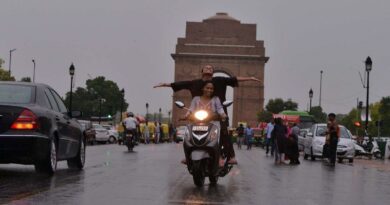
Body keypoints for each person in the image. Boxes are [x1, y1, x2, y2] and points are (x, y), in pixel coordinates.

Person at [154, 64, 262, 164]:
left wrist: (250, 78)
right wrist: (165, 84)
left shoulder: (219, 80)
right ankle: (189, 155)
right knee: (189, 133)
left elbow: (233, 79)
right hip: (199, 114)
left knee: (223, 133)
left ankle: (230, 156)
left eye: (211, 68)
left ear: (213, 73)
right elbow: (181, 84)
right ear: (202, 71)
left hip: (218, 114)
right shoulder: (195, 83)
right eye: (207, 67)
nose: (209, 69)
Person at [182, 81, 227, 167]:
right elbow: (191, 109)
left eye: (211, 88)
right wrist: (186, 115)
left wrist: (223, 114)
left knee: (220, 136)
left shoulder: (216, 99)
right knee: (187, 137)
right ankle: (187, 156)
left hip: (213, 123)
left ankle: (220, 156)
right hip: (197, 122)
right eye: (207, 88)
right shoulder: (196, 99)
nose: (209, 90)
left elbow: (220, 108)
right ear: (203, 88)